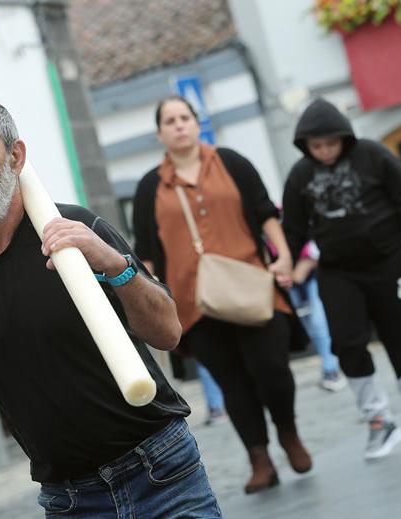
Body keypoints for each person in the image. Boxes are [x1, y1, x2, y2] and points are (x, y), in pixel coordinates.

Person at [0, 95, 223, 519]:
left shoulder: (77, 231)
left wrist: (115, 265)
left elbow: (168, 333)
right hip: (70, 501)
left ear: (16, 156)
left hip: (161, 470)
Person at [132, 96, 312, 494]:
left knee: (273, 370)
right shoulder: (149, 187)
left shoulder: (231, 162)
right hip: (195, 305)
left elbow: (266, 213)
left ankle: (288, 432)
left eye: (185, 117)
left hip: (253, 289)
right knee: (233, 383)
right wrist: (152, 295)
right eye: (170, 121)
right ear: (160, 133)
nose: (179, 125)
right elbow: (145, 250)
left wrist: (283, 257)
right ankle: (259, 459)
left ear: (197, 123)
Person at [282, 98, 401, 459]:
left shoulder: (373, 155)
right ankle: (379, 421)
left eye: (331, 143)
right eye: (316, 146)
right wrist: (285, 263)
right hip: (338, 270)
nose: (325, 151)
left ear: (344, 137)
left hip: (388, 261)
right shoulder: (300, 176)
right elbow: (293, 228)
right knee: (347, 343)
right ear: (305, 145)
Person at [290, 241, 346, 392]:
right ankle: (329, 365)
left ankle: (331, 369)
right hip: (285, 276)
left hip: (311, 272)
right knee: (308, 326)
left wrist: (307, 262)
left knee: (318, 323)